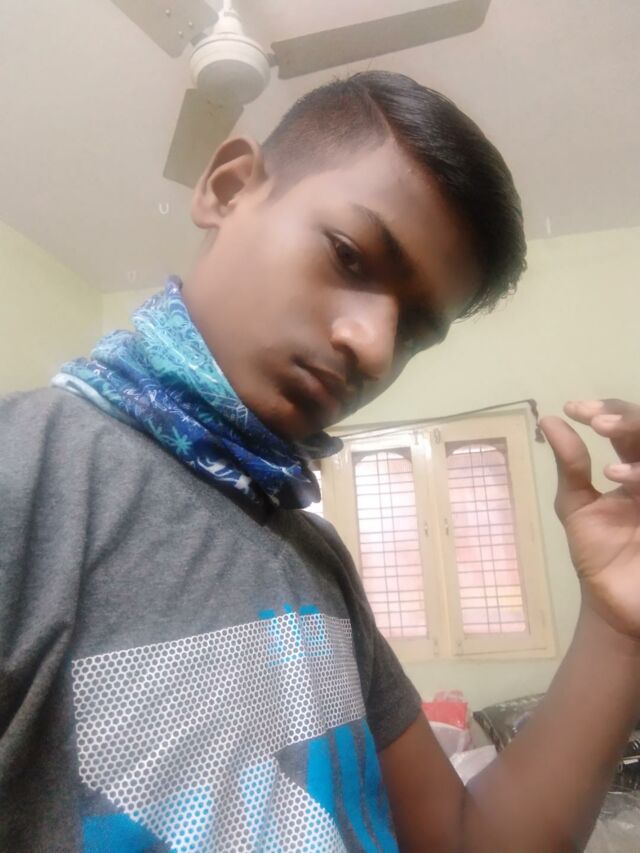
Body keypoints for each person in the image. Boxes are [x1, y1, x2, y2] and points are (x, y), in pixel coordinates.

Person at [1, 70, 639, 852]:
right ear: (229, 189)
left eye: (415, 329)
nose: (374, 347)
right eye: (350, 256)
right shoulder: (25, 471)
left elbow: (468, 841)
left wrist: (618, 626)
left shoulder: (316, 559)